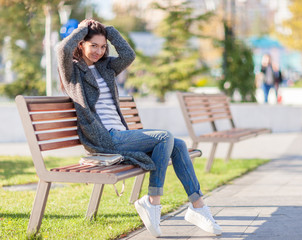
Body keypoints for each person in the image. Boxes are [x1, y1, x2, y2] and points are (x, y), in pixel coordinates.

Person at [56, 19, 221, 237]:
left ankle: (198, 207)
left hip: (121, 135)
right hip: (104, 139)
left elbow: (128, 55)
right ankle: (153, 202)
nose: (99, 51)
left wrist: (109, 31)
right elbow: (62, 48)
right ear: (81, 44)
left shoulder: (106, 68)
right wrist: (82, 29)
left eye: (103, 46)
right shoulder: (73, 73)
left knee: (178, 145)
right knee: (165, 137)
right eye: (93, 45)